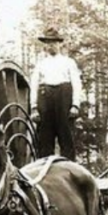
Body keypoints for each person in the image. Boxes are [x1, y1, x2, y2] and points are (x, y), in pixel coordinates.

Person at [29, 28, 84, 160]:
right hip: (46, 100)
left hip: (64, 99)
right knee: (45, 138)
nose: (51, 46)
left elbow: (77, 84)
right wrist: (34, 107)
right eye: (48, 43)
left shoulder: (68, 62)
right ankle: (45, 173)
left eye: (54, 42)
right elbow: (34, 85)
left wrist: (75, 105)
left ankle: (69, 172)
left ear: (60, 44)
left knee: (66, 137)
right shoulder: (41, 64)